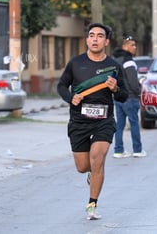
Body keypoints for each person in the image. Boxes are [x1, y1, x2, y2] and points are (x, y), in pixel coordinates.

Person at [57, 23, 128, 220]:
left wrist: (115, 89)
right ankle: (92, 174)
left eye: (99, 36)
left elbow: (124, 95)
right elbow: (62, 86)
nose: (95, 39)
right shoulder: (76, 63)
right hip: (79, 120)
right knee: (83, 167)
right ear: (87, 40)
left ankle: (92, 205)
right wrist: (71, 97)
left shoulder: (114, 66)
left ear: (106, 41)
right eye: (91, 35)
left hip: (103, 120)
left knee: (97, 158)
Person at [112, 35, 146, 158]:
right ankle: (137, 150)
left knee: (119, 124)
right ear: (125, 47)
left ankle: (118, 150)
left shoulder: (115, 60)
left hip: (117, 97)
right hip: (130, 97)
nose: (135, 47)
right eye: (132, 45)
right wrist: (138, 93)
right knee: (134, 123)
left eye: (135, 45)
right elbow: (132, 81)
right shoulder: (129, 61)